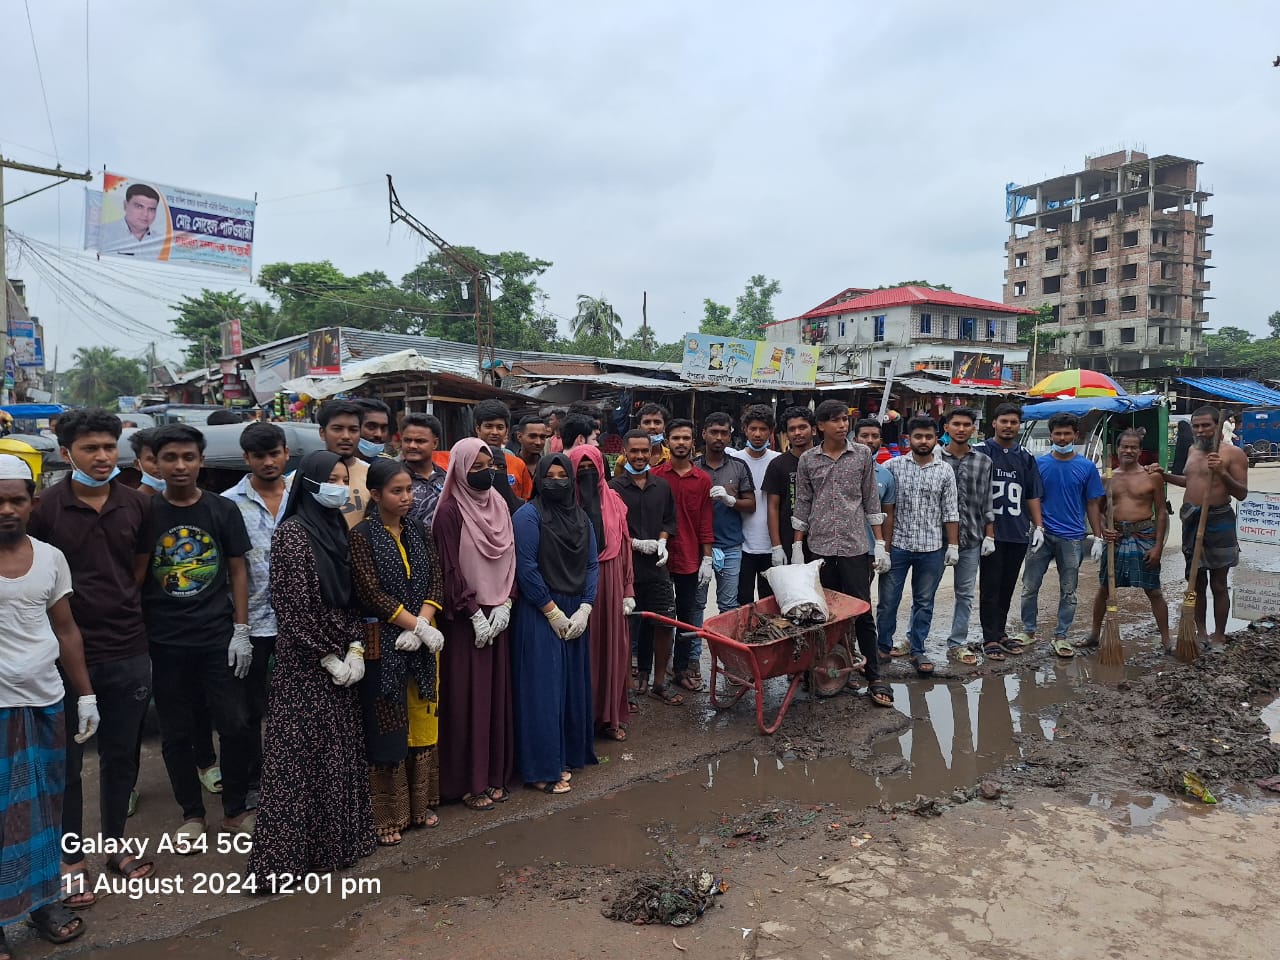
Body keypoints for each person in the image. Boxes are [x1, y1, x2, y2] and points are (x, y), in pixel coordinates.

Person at [29, 411, 152, 904]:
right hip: (62, 650)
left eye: (109, 447)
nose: (102, 457)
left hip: (128, 646)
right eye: (90, 449)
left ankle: (117, 844)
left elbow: (138, 568)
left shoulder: (137, 505)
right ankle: (71, 856)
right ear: (66, 454)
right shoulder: (45, 510)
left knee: (123, 753)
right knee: (69, 761)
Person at [245, 451, 374, 890]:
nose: (340, 485)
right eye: (331, 479)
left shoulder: (338, 529)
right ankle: (285, 860)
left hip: (341, 656)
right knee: (299, 761)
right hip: (305, 665)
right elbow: (294, 609)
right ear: (310, 484)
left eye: (344, 478)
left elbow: (353, 596)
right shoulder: (293, 535)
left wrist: (355, 647)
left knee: (337, 756)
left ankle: (333, 848)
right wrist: (328, 655)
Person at [133, 424, 256, 845]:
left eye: (189, 457)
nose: (180, 466)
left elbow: (239, 569)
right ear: (155, 463)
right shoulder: (146, 513)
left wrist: (241, 628)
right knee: (176, 732)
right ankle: (192, 814)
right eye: (170, 458)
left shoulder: (222, 510)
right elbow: (137, 576)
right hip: (165, 640)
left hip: (216, 637)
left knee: (236, 725)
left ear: (201, 461)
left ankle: (236, 810)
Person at [0, 454, 99, 955]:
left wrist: (85, 695)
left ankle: (43, 904)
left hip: (45, 701)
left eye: (16, 499)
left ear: (33, 504)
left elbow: (65, 629)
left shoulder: (50, 557)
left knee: (45, 810)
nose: (6, 509)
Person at [350, 459, 446, 843]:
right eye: (397, 491)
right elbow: (369, 592)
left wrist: (423, 623)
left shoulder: (420, 531)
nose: (406, 497)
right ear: (375, 495)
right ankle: (388, 817)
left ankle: (421, 806)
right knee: (388, 724)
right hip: (386, 643)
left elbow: (435, 579)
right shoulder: (362, 536)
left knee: (423, 719)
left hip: (422, 643)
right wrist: (413, 624)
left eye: (409, 490)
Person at [433, 439, 517, 811]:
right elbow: (449, 567)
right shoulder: (449, 512)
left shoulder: (499, 504)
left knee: (495, 700)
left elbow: (511, 557)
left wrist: (507, 602)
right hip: (466, 624)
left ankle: (494, 774)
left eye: (490, 465)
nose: (486, 472)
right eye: (476, 466)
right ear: (459, 469)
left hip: (499, 618)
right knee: (468, 702)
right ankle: (468, 781)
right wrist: (474, 613)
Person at [792, 400, 891, 706]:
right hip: (819, 547)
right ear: (820, 426)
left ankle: (874, 677)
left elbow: (871, 501)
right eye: (835, 420)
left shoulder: (862, 454)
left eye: (845, 420)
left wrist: (880, 544)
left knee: (862, 612)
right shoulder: (808, 460)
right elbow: (804, 503)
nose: (842, 425)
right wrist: (797, 545)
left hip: (854, 547)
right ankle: (822, 671)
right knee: (822, 615)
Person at [512, 455, 599, 794]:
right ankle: (540, 770)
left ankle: (565, 756)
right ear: (539, 478)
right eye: (550, 475)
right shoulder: (528, 515)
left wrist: (586, 607)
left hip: (575, 609)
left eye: (564, 475)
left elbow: (592, 564)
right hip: (540, 610)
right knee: (542, 691)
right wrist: (551, 611)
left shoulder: (581, 517)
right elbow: (526, 567)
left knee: (570, 688)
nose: (557, 481)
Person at [222, 422, 291, 809]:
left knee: (296, 703)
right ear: (246, 459)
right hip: (255, 622)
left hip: (299, 621)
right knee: (249, 710)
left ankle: (294, 776)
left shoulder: (302, 495)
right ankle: (254, 782)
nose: (268, 462)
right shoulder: (229, 501)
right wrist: (239, 629)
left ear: (284, 453)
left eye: (274, 453)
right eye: (259, 456)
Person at [1153, 406, 1248, 645]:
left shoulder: (1233, 454)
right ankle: (1200, 632)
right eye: (1196, 426)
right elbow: (1190, 481)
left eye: (1206, 425)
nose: (1200, 430)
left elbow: (1242, 493)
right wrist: (1164, 476)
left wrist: (1222, 473)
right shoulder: (1192, 449)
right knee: (1195, 580)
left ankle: (1219, 634)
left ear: (1217, 427)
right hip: (1191, 519)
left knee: (1218, 582)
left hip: (1218, 518)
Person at [1013, 413, 1105, 655]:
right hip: (1041, 535)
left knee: (1069, 590)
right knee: (1029, 586)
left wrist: (1098, 536)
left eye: (1067, 434)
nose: (1062, 438)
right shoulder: (1039, 464)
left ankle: (1061, 635)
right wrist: (1037, 527)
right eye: (1057, 434)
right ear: (1051, 435)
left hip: (1073, 537)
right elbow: (1031, 499)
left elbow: (1093, 503)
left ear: (1075, 435)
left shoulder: (1086, 467)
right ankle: (1028, 631)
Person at [878, 417, 960, 676]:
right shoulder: (892, 467)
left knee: (924, 602)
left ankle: (917, 649)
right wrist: (883, 547)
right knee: (888, 601)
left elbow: (950, 511)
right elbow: (882, 509)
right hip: (898, 546)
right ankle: (883, 646)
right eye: (918, 437)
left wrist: (953, 545)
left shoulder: (945, 470)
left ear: (937, 438)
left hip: (932, 548)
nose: (923, 441)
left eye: (928, 436)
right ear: (908, 439)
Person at [1079, 429, 1171, 651]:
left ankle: (1167, 639)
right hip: (1116, 538)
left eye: (1133, 447)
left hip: (1144, 535)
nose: (1129, 450)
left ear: (1140, 451)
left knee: (1154, 590)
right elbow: (1097, 511)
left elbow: (1161, 512)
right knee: (1105, 588)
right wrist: (1103, 529)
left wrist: (1158, 547)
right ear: (1117, 450)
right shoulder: (1107, 478)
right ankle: (1094, 634)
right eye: (1124, 447)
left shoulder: (1153, 477)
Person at [568, 445, 634, 741]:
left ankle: (611, 717)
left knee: (613, 650)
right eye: (579, 469)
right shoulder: (566, 503)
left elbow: (624, 547)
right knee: (584, 653)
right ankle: (583, 719)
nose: (585, 473)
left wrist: (628, 588)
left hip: (611, 583)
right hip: (576, 585)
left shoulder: (616, 501)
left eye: (590, 467)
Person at [610, 430, 681, 706]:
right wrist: (635, 543)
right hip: (626, 569)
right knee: (626, 626)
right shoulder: (614, 488)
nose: (640, 456)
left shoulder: (661, 487)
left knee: (664, 623)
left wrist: (662, 542)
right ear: (625, 453)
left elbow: (669, 521)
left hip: (658, 568)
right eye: (634, 451)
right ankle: (625, 688)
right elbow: (610, 527)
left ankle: (659, 683)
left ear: (653, 453)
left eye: (645, 451)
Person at [978, 403, 1045, 660]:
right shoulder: (981, 452)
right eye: (1003, 421)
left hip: (1017, 530)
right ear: (994, 423)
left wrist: (1038, 525)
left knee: (1007, 585)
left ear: (1020, 426)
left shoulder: (1025, 456)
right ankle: (989, 637)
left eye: (1013, 422)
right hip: (990, 532)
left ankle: (1001, 631)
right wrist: (985, 531)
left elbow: (1032, 494)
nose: (1008, 426)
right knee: (990, 586)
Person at [652, 420, 714, 693]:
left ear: (693, 442)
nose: (681, 442)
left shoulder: (702, 480)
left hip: (689, 556)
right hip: (659, 557)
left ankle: (681, 669)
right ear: (667, 441)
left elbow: (704, 522)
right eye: (675, 437)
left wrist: (707, 558)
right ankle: (654, 672)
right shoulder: (655, 476)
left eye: (685, 438)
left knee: (687, 615)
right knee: (659, 616)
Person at [938, 409, 994, 665]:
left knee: (966, 594)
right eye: (956, 424)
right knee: (924, 594)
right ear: (947, 427)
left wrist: (989, 535)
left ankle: (957, 643)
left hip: (971, 538)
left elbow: (987, 502)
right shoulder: (935, 458)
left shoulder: (984, 462)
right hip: (935, 540)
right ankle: (913, 641)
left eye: (966, 425)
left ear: (974, 429)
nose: (961, 429)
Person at [694, 412, 755, 618]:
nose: (718, 437)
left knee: (728, 605)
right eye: (714, 432)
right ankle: (693, 652)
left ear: (730, 436)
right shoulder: (693, 467)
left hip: (730, 545)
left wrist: (731, 501)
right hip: (698, 547)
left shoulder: (738, 466)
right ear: (704, 434)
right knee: (696, 603)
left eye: (724, 433)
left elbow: (751, 504)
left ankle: (725, 649)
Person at [729, 405, 780, 605]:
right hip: (742, 545)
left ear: (771, 431)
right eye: (753, 429)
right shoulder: (734, 460)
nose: (758, 434)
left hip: (772, 546)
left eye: (763, 429)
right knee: (743, 602)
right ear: (745, 429)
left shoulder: (778, 461)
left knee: (770, 603)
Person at [764, 406, 816, 566]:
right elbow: (773, 507)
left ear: (813, 430)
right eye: (792, 429)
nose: (797, 433)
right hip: (788, 539)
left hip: (821, 540)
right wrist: (776, 547)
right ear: (786, 434)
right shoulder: (778, 464)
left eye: (802, 427)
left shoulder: (824, 461)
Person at [318, 400, 369, 529]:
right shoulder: (302, 478)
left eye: (353, 430)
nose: (346, 436)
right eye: (337, 429)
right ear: (322, 433)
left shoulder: (372, 475)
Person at [473, 399, 533, 505]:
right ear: (478, 429)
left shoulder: (518, 464)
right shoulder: (466, 462)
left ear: (506, 431)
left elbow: (527, 501)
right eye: (489, 426)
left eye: (500, 427)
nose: (494, 432)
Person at [399, 413, 447, 530]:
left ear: (434, 443)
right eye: (407, 440)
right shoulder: (391, 478)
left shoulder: (446, 479)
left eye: (420, 441)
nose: (412, 446)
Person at [100, 183, 161, 257]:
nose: (145, 214)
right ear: (125, 205)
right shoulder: (104, 233)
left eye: (151, 209)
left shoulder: (162, 242)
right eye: (139, 207)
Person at [612, 404, 671, 476]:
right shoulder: (624, 460)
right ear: (639, 427)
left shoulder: (671, 457)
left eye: (657, 422)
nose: (652, 426)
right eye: (647, 422)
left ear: (664, 427)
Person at [128, 428, 168, 496]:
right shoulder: (131, 503)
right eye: (153, 460)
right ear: (137, 464)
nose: (160, 465)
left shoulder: (188, 500)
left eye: (167, 459)